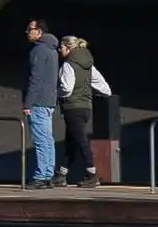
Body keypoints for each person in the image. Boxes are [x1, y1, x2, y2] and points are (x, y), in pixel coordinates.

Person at [58, 34, 109, 185]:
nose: (59, 50)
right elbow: (105, 89)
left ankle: (91, 174)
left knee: (80, 141)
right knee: (72, 141)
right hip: (86, 107)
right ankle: (61, 174)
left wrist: (56, 93)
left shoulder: (68, 64)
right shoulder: (88, 64)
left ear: (68, 48)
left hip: (73, 108)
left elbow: (67, 88)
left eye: (61, 47)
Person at [22, 17, 62, 184]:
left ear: (39, 32)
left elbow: (35, 79)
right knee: (47, 139)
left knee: (40, 140)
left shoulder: (38, 51)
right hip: (49, 101)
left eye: (29, 29)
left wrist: (28, 103)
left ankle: (41, 175)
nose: (27, 32)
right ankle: (47, 173)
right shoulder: (52, 49)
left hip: (38, 101)